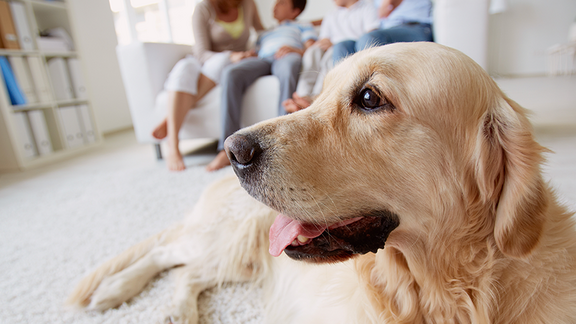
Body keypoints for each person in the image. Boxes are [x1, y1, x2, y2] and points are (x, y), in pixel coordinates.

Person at [152, 0, 264, 171]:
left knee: (222, 63)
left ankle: (170, 119)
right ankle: (173, 146)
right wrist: (231, 56)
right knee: (184, 67)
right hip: (209, 61)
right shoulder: (204, 8)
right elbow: (201, 52)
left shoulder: (248, 4)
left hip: (234, 64)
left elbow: (261, 32)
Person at [206, 0, 316, 171]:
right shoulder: (265, 33)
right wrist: (249, 55)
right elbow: (256, 51)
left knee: (289, 69)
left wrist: (297, 51)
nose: (275, 5)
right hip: (262, 59)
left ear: (295, 11)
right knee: (231, 73)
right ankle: (224, 149)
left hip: (286, 56)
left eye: (281, 3)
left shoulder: (302, 26)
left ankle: (282, 142)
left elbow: (311, 47)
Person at [282, 0, 379, 113]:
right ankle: (302, 95)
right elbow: (324, 38)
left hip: (348, 49)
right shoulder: (332, 14)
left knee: (331, 53)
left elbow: (370, 37)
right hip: (330, 47)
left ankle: (317, 96)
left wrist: (333, 45)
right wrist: (323, 44)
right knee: (313, 51)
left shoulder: (367, 8)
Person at [332, 0, 433, 63]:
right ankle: (342, 93)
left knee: (368, 39)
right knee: (342, 46)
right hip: (386, 31)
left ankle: (377, 91)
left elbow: (388, 6)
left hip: (416, 27)